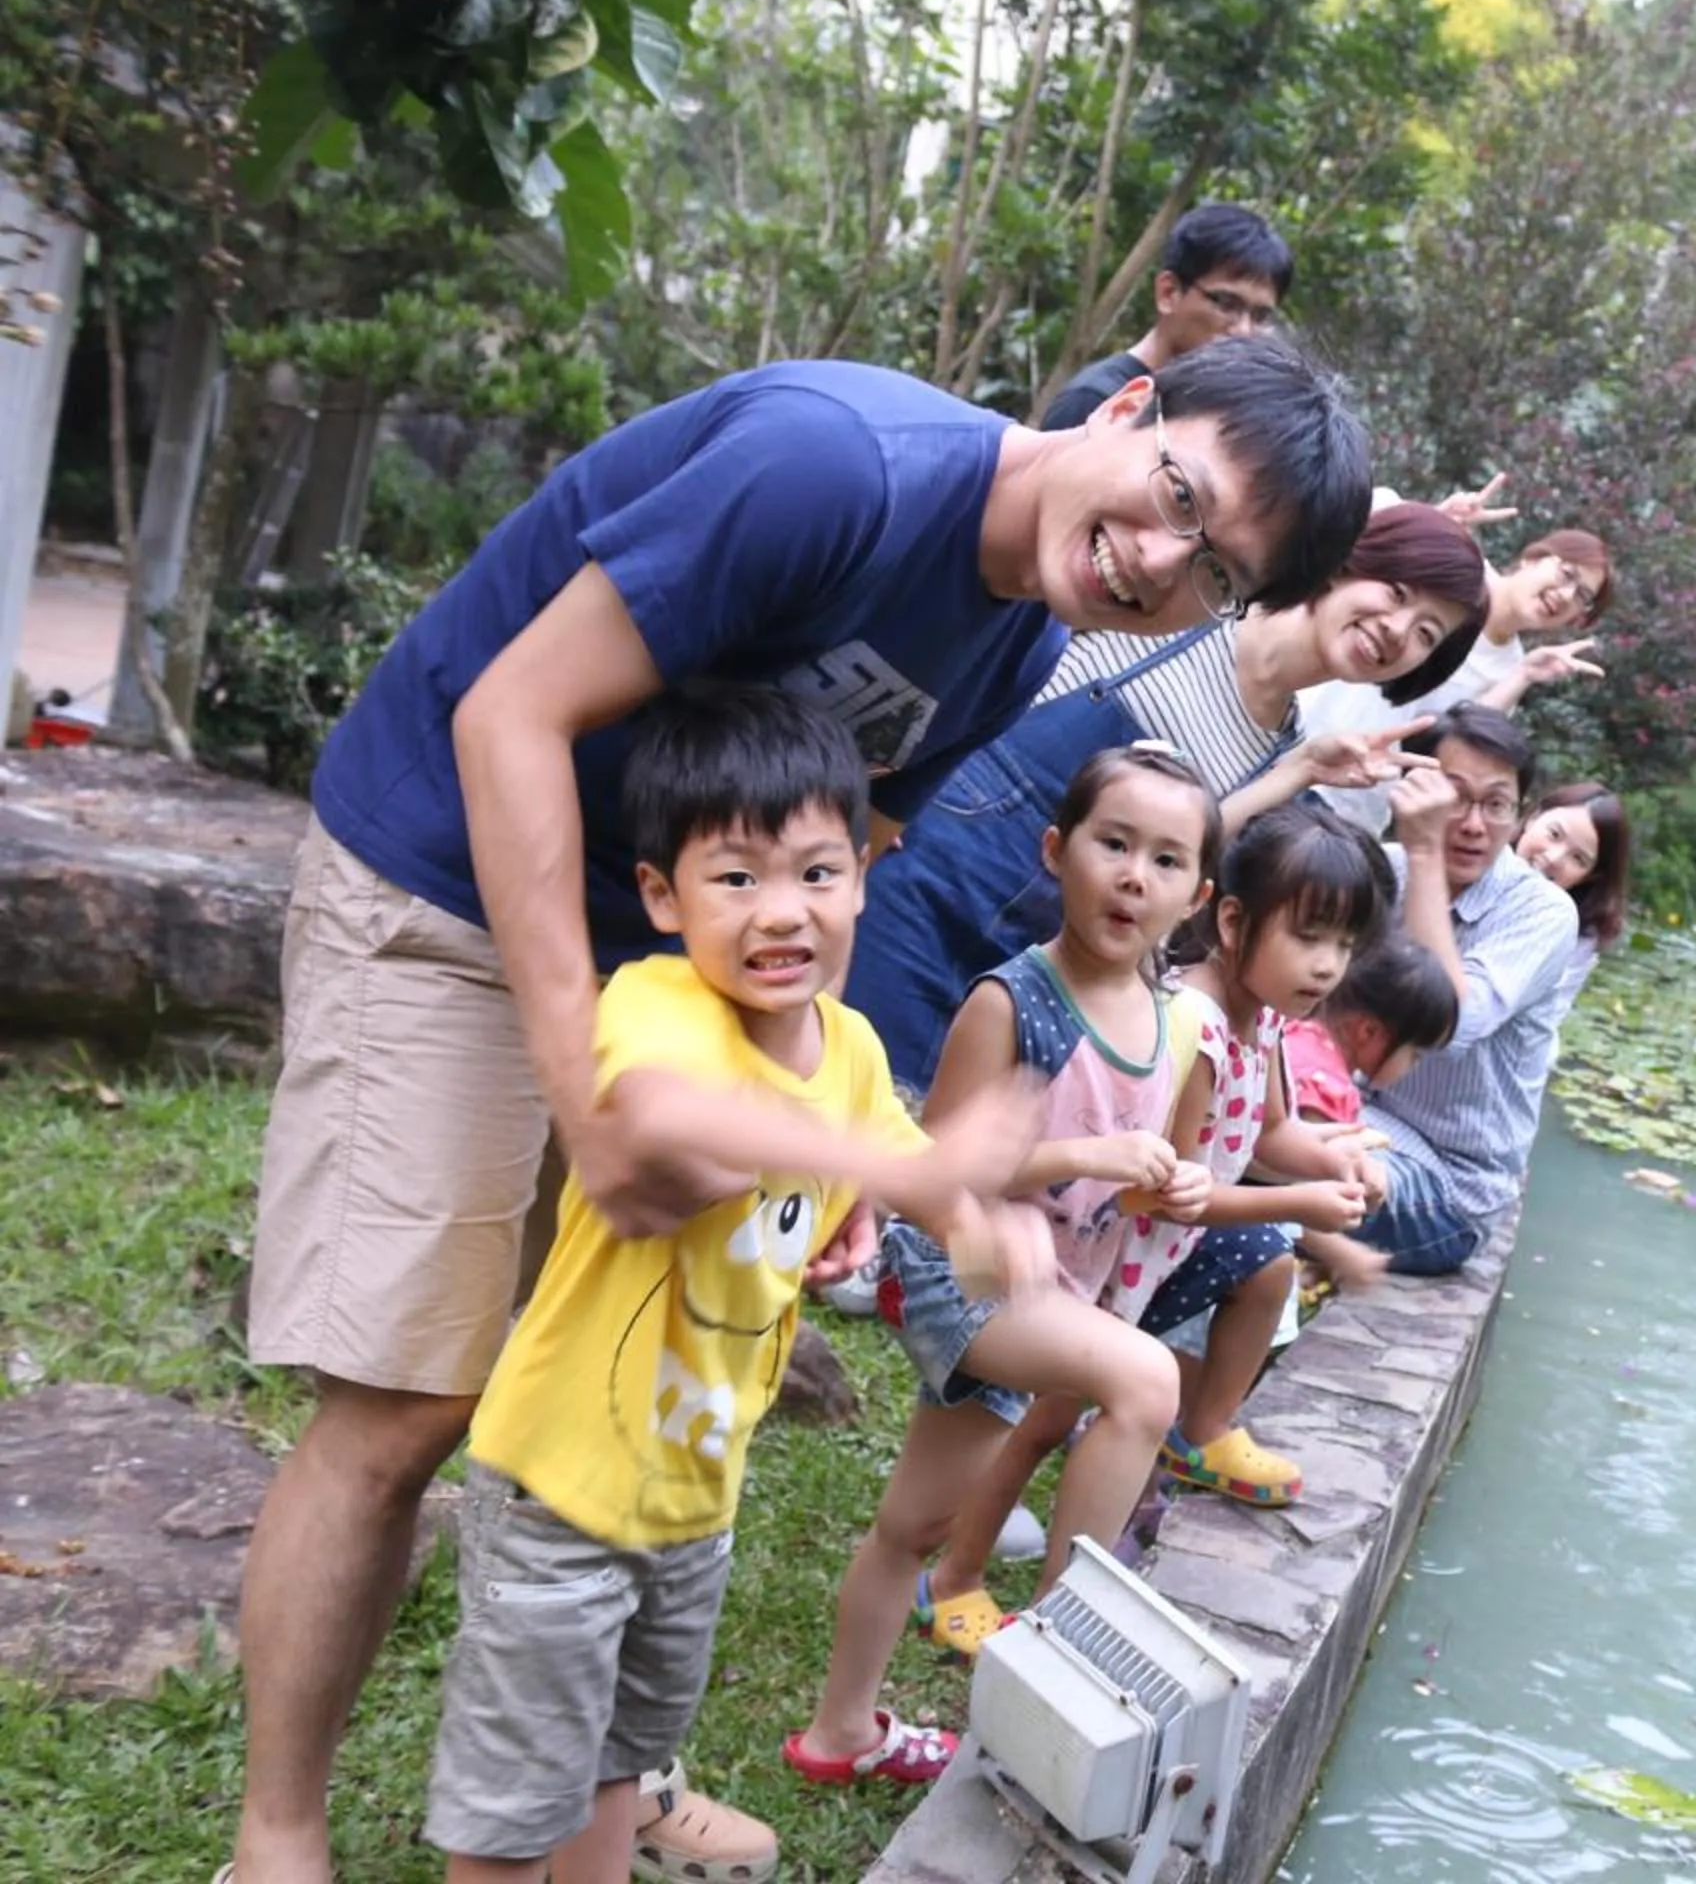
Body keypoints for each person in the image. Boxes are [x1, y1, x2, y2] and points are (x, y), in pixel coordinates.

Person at [227, 335, 1368, 1884]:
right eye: (1175, 493)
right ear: (1123, 408)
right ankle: (279, 1836)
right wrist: (591, 1091)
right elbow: (509, 716)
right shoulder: (837, 468)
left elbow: (847, 853)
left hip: (664, 954)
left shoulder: (1017, 646)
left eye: (1212, 570)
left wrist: (817, 1097)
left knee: (651, 1362)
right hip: (442, 876)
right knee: (407, 1399)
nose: (1156, 561)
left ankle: (614, 1786)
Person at [421, 688, 1033, 1884]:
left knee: (616, 1763)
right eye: (736, 878)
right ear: (664, 896)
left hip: (694, 1499)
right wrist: (859, 1163)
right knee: (512, 1803)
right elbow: (658, 1115)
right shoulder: (659, 1004)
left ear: (861, 871)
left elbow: (917, 1174)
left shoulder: (849, 1046)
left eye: (814, 870)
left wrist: (977, 1219)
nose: (781, 913)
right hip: (563, 1485)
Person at [787, 747, 1219, 1779]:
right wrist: (1079, 1155)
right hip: (965, 1263)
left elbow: (1145, 1163)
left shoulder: (1172, 1023)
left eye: (1166, 860)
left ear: (1198, 895)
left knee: (914, 1522)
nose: (1133, 875)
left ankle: (839, 1733)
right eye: (1112, 843)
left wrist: (1174, 1184)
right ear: (1055, 849)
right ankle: (1059, 1657)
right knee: (1144, 1374)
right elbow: (933, 1170)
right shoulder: (1011, 1000)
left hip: (1048, 1278)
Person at [909, 809, 1396, 1634]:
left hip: (1147, 1258)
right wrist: (1298, 1204)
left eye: (1343, 947)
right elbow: (1170, 1190)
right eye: (1310, 937)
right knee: (1032, 1424)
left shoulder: (1269, 1016)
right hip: (1109, 1245)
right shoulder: (1194, 1026)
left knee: (1256, 1271)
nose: (1326, 966)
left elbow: (1274, 1133)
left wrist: (1335, 1161)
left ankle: (1177, 1457)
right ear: (1233, 920)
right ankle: (952, 1580)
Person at [846, 503, 1489, 1097]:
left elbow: (1176, 870)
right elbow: (988, 662)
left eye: (1427, 633)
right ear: (1351, 562)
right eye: (1396, 593)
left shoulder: (1280, 751)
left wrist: (1298, 771)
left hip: (1021, 974)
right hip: (917, 879)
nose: (1397, 629)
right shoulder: (1186, 603)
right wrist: (887, 784)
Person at [1353, 706, 1582, 1274]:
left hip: (1446, 1191)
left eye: (1496, 804)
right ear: (1415, 790)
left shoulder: (1543, 912)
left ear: (1522, 816)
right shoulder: (1382, 870)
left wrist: (1427, 852)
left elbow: (1448, 1023)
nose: (1475, 824)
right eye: (1454, 796)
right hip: (1350, 1117)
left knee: (1284, 1165)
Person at [1301, 527, 1616, 833]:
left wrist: (1524, 676)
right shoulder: (1459, 574)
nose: (1565, 595)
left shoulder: (1513, 667)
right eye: (1567, 574)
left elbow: (1451, 746)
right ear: (1534, 558)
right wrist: (1437, 519)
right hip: (1296, 743)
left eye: (1582, 596)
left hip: (1351, 806)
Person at [1277, 935, 1460, 1295]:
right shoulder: (1322, 1090)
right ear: (1369, 1032)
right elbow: (1284, 1194)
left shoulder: (1298, 1034)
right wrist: (1342, 1254)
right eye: (1415, 1055)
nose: (1413, 1067)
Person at [1036, 204, 1294, 431]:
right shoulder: (1094, 401)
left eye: (1260, 317)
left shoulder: (1228, 415)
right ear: (1168, 292)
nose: (1244, 331)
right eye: (1227, 305)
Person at [1514, 779, 1634, 1024]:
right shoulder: (1468, 861)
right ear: (1534, 817)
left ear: (1590, 876)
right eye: (1554, 834)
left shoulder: (1576, 940)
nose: (1554, 858)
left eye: (1578, 859)